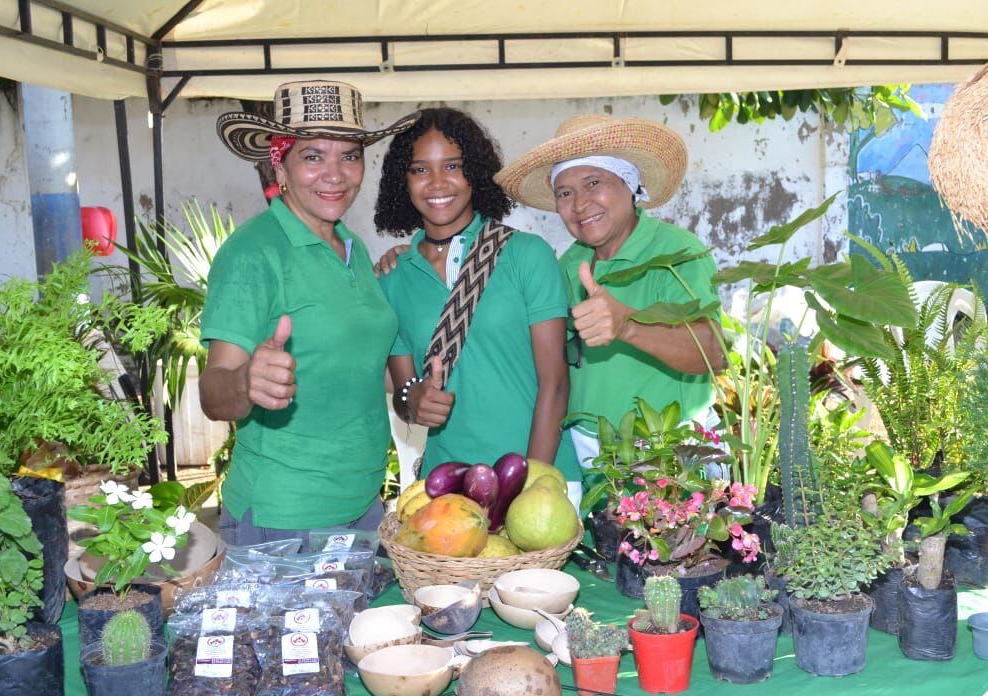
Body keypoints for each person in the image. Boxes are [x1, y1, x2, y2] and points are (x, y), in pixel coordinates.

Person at [199, 80, 416, 546]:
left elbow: (354, 366)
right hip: (285, 519)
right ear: (281, 162)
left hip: (362, 508)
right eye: (313, 156)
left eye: (350, 155)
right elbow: (214, 391)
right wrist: (245, 383)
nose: (335, 174)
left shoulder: (351, 249)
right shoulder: (254, 253)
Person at [493, 115, 724, 469]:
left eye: (593, 183)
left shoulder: (677, 253)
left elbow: (713, 352)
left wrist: (627, 326)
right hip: (586, 453)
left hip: (668, 456)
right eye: (565, 193)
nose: (580, 204)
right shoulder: (571, 263)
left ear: (629, 184)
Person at [373, 108, 580, 486]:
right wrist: (414, 399)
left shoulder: (526, 255)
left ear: (476, 173)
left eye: (453, 166)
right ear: (402, 181)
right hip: (448, 484)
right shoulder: (393, 279)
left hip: (541, 477)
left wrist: (527, 488)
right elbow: (405, 393)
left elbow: (556, 384)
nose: (437, 183)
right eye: (420, 169)